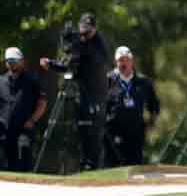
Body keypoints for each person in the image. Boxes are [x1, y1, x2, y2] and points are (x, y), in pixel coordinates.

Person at [42, 13, 112, 170]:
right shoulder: (81, 43)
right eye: (82, 30)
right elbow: (70, 64)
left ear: (95, 28)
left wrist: (76, 43)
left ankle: (92, 166)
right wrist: (52, 63)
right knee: (81, 131)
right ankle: (83, 165)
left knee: (93, 134)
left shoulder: (98, 45)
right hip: (81, 94)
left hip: (95, 97)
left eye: (88, 30)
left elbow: (91, 57)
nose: (84, 33)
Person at [102, 46, 160, 167]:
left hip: (136, 132)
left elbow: (154, 105)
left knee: (135, 167)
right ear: (116, 62)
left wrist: (151, 122)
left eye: (126, 60)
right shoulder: (107, 80)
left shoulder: (143, 82)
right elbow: (100, 105)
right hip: (113, 132)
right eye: (120, 60)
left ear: (132, 61)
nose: (124, 63)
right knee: (113, 166)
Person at [1, 47, 48, 172]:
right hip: (6, 129)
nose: (11, 63)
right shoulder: (1, 81)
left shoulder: (32, 80)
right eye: (9, 61)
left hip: (25, 128)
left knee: (24, 156)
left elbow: (42, 103)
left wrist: (32, 120)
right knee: (9, 162)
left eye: (14, 60)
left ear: (22, 61)